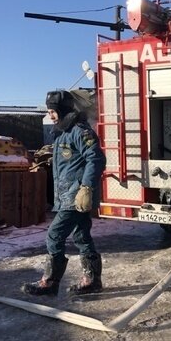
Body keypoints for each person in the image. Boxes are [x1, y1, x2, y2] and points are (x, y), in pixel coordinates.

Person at [22, 90, 106, 296]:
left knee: (54, 236)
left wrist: (86, 188)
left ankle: (50, 282)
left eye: (52, 111)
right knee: (81, 236)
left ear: (62, 110)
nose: (50, 115)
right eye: (49, 111)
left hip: (76, 196)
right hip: (68, 195)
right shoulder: (63, 132)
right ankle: (92, 280)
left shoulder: (79, 131)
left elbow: (96, 159)